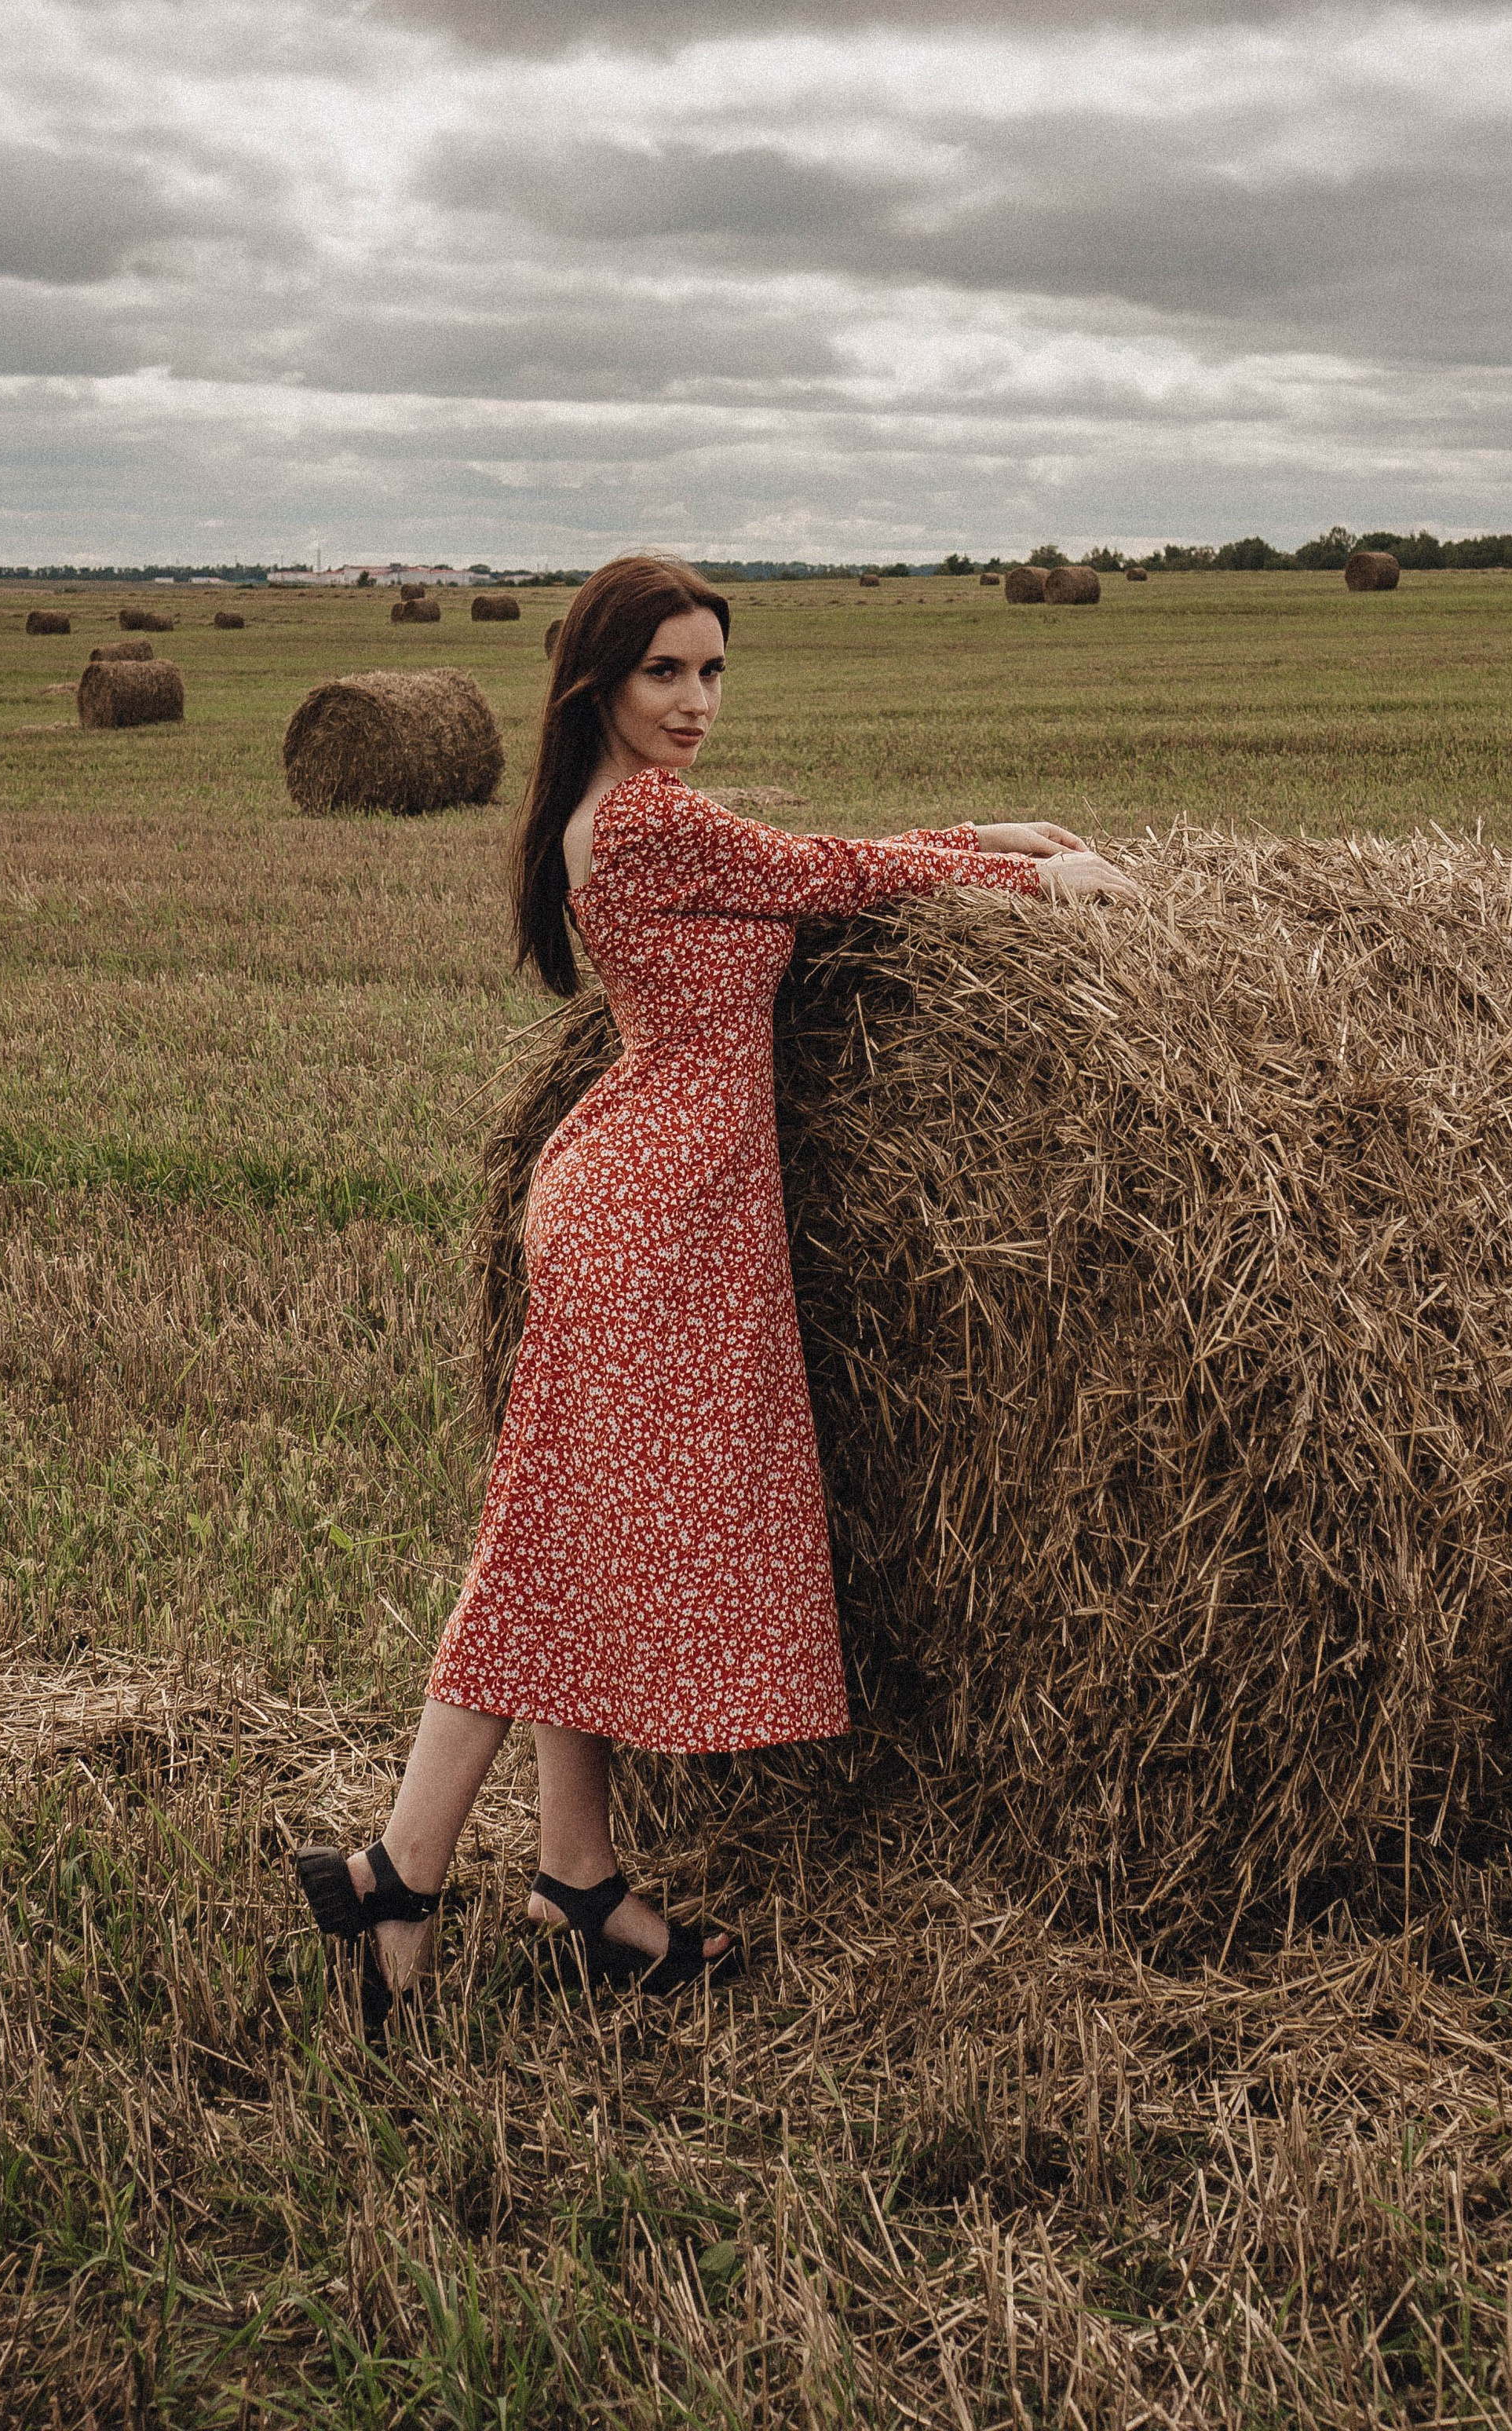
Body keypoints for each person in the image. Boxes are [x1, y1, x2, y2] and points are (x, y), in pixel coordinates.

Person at [296, 553, 1134, 2025]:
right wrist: (1029, 875)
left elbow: (808, 862)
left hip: (652, 1199)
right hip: (651, 1221)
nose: (695, 702)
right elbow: (824, 876)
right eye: (665, 673)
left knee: (578, 1542)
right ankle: (399, 1873)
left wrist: (982, 827)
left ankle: (574, 1879)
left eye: (713, 671)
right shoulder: (649, 824)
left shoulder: (627, 818)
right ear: (599, 683)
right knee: (550, 1550)